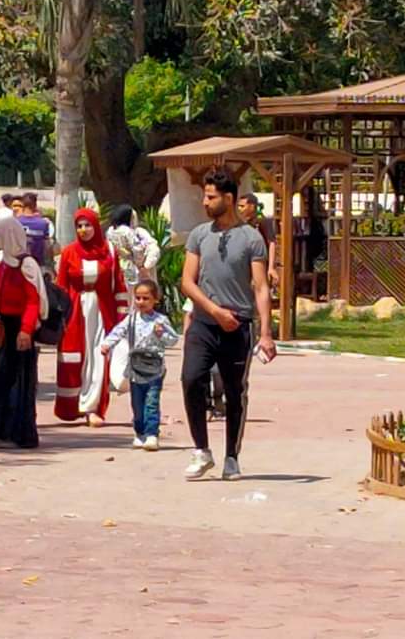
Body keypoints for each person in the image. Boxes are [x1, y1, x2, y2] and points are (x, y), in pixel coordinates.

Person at [181, 168, 276, 481]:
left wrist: (266, 333)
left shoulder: (251, 238)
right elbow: (187, 282)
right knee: (191, 379)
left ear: (229, 198)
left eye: (211, 197)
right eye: (205, 196)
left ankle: (232, 457)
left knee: (234, 391)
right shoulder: (199, 235)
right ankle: (201, 450)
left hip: (238, 326)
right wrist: (212, 310)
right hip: (204, 323)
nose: (205, 202)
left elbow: (260, 286)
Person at [0, 216, 47, 448]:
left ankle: (16, 433)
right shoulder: (4, 264)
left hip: (18, 330)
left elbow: (33, 301)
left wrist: (26, 330)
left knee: (17, 382)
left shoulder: (27, 265)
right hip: (0, 329)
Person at [55, 208, 128, 426]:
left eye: (87, 225)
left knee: (99, 357)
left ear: (95, 226)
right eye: (79, 226)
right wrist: (59, 315)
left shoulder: (109, 252)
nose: (83, 230)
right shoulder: (69, 253)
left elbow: (119, 284)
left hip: (102, 312)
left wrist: (122, 315)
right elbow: (61, 287)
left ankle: (92, 408)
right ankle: (73, 406)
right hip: (75, 313)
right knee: (74, 358)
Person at [101, 279, 179, 451]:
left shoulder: (161, 320)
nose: (141, 302)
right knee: (137, 403)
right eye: (138, 298)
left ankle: (152, 434)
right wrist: (107, 345)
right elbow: (118, 332)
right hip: (136, 368)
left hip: (154, 369)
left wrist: (161, 335)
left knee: (151, 401)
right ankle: (139, 433)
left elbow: (173, 340)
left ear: (155, 300)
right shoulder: (131, 319)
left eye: (146, 298)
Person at [107, 205, 160, 285]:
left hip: (118, 266)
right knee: (135, 287)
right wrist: (143, 264)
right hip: (133, 267)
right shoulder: (128, 231)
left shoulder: (110, 231)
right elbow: (138, 249)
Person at [237, 194, 280, 287]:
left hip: (261, 264)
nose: (240, 209)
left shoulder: (262, 221)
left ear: (252, 207)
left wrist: (271, 268)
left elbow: (271, 243)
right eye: (239, 206)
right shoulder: (243, 224)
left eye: (242, 206)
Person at [19, 191, 57, 270]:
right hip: (37, 264)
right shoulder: (43, 223)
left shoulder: (15, 222)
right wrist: (51, 263)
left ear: (22, 205)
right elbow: (47, 245)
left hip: (19, 264)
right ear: (35, 205)